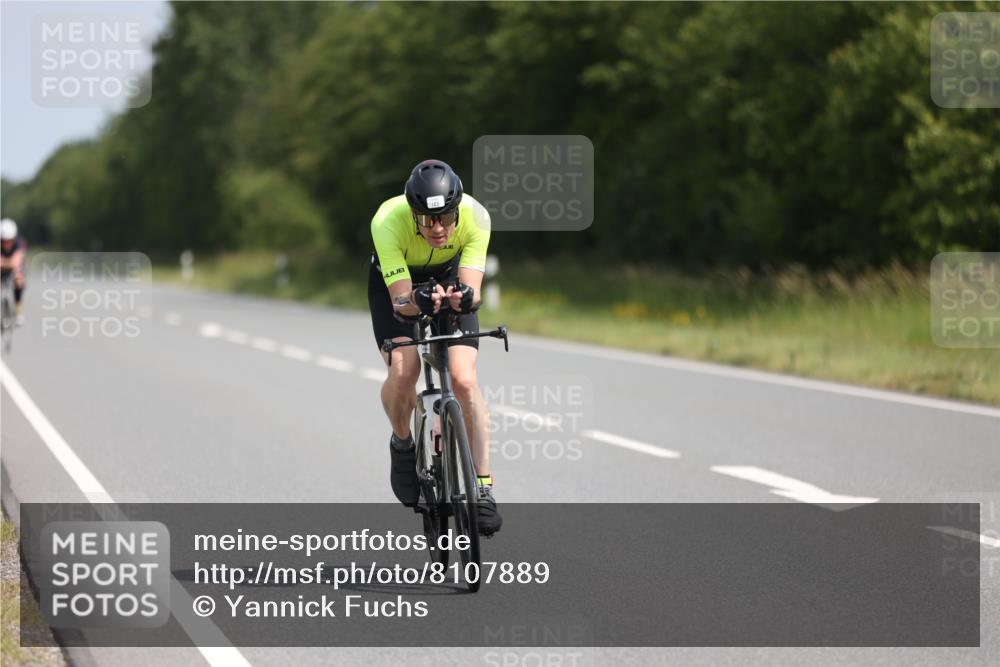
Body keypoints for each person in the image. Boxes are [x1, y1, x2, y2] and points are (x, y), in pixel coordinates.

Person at [368, 159, 501, 536]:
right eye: (427, 220)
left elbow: (472, 293)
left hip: (448, 275)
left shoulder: (477, 218)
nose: (438, 228)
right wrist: (420, 300)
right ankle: (403, 443)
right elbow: (400, 303)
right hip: (397, 286)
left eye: (445, 218)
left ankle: (483, 488)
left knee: (464, 379)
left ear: (457, 210)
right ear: (413, 215)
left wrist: (463, 298)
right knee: (404, 369)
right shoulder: (387, 221)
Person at [0, 218, 26, 326]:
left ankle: (18, 309)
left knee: (19, 279)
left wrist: (4, 262)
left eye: (9, 240)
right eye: (4, 241)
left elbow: (16, 261)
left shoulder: (20, 243)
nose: (7, 244)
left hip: (15, 268)